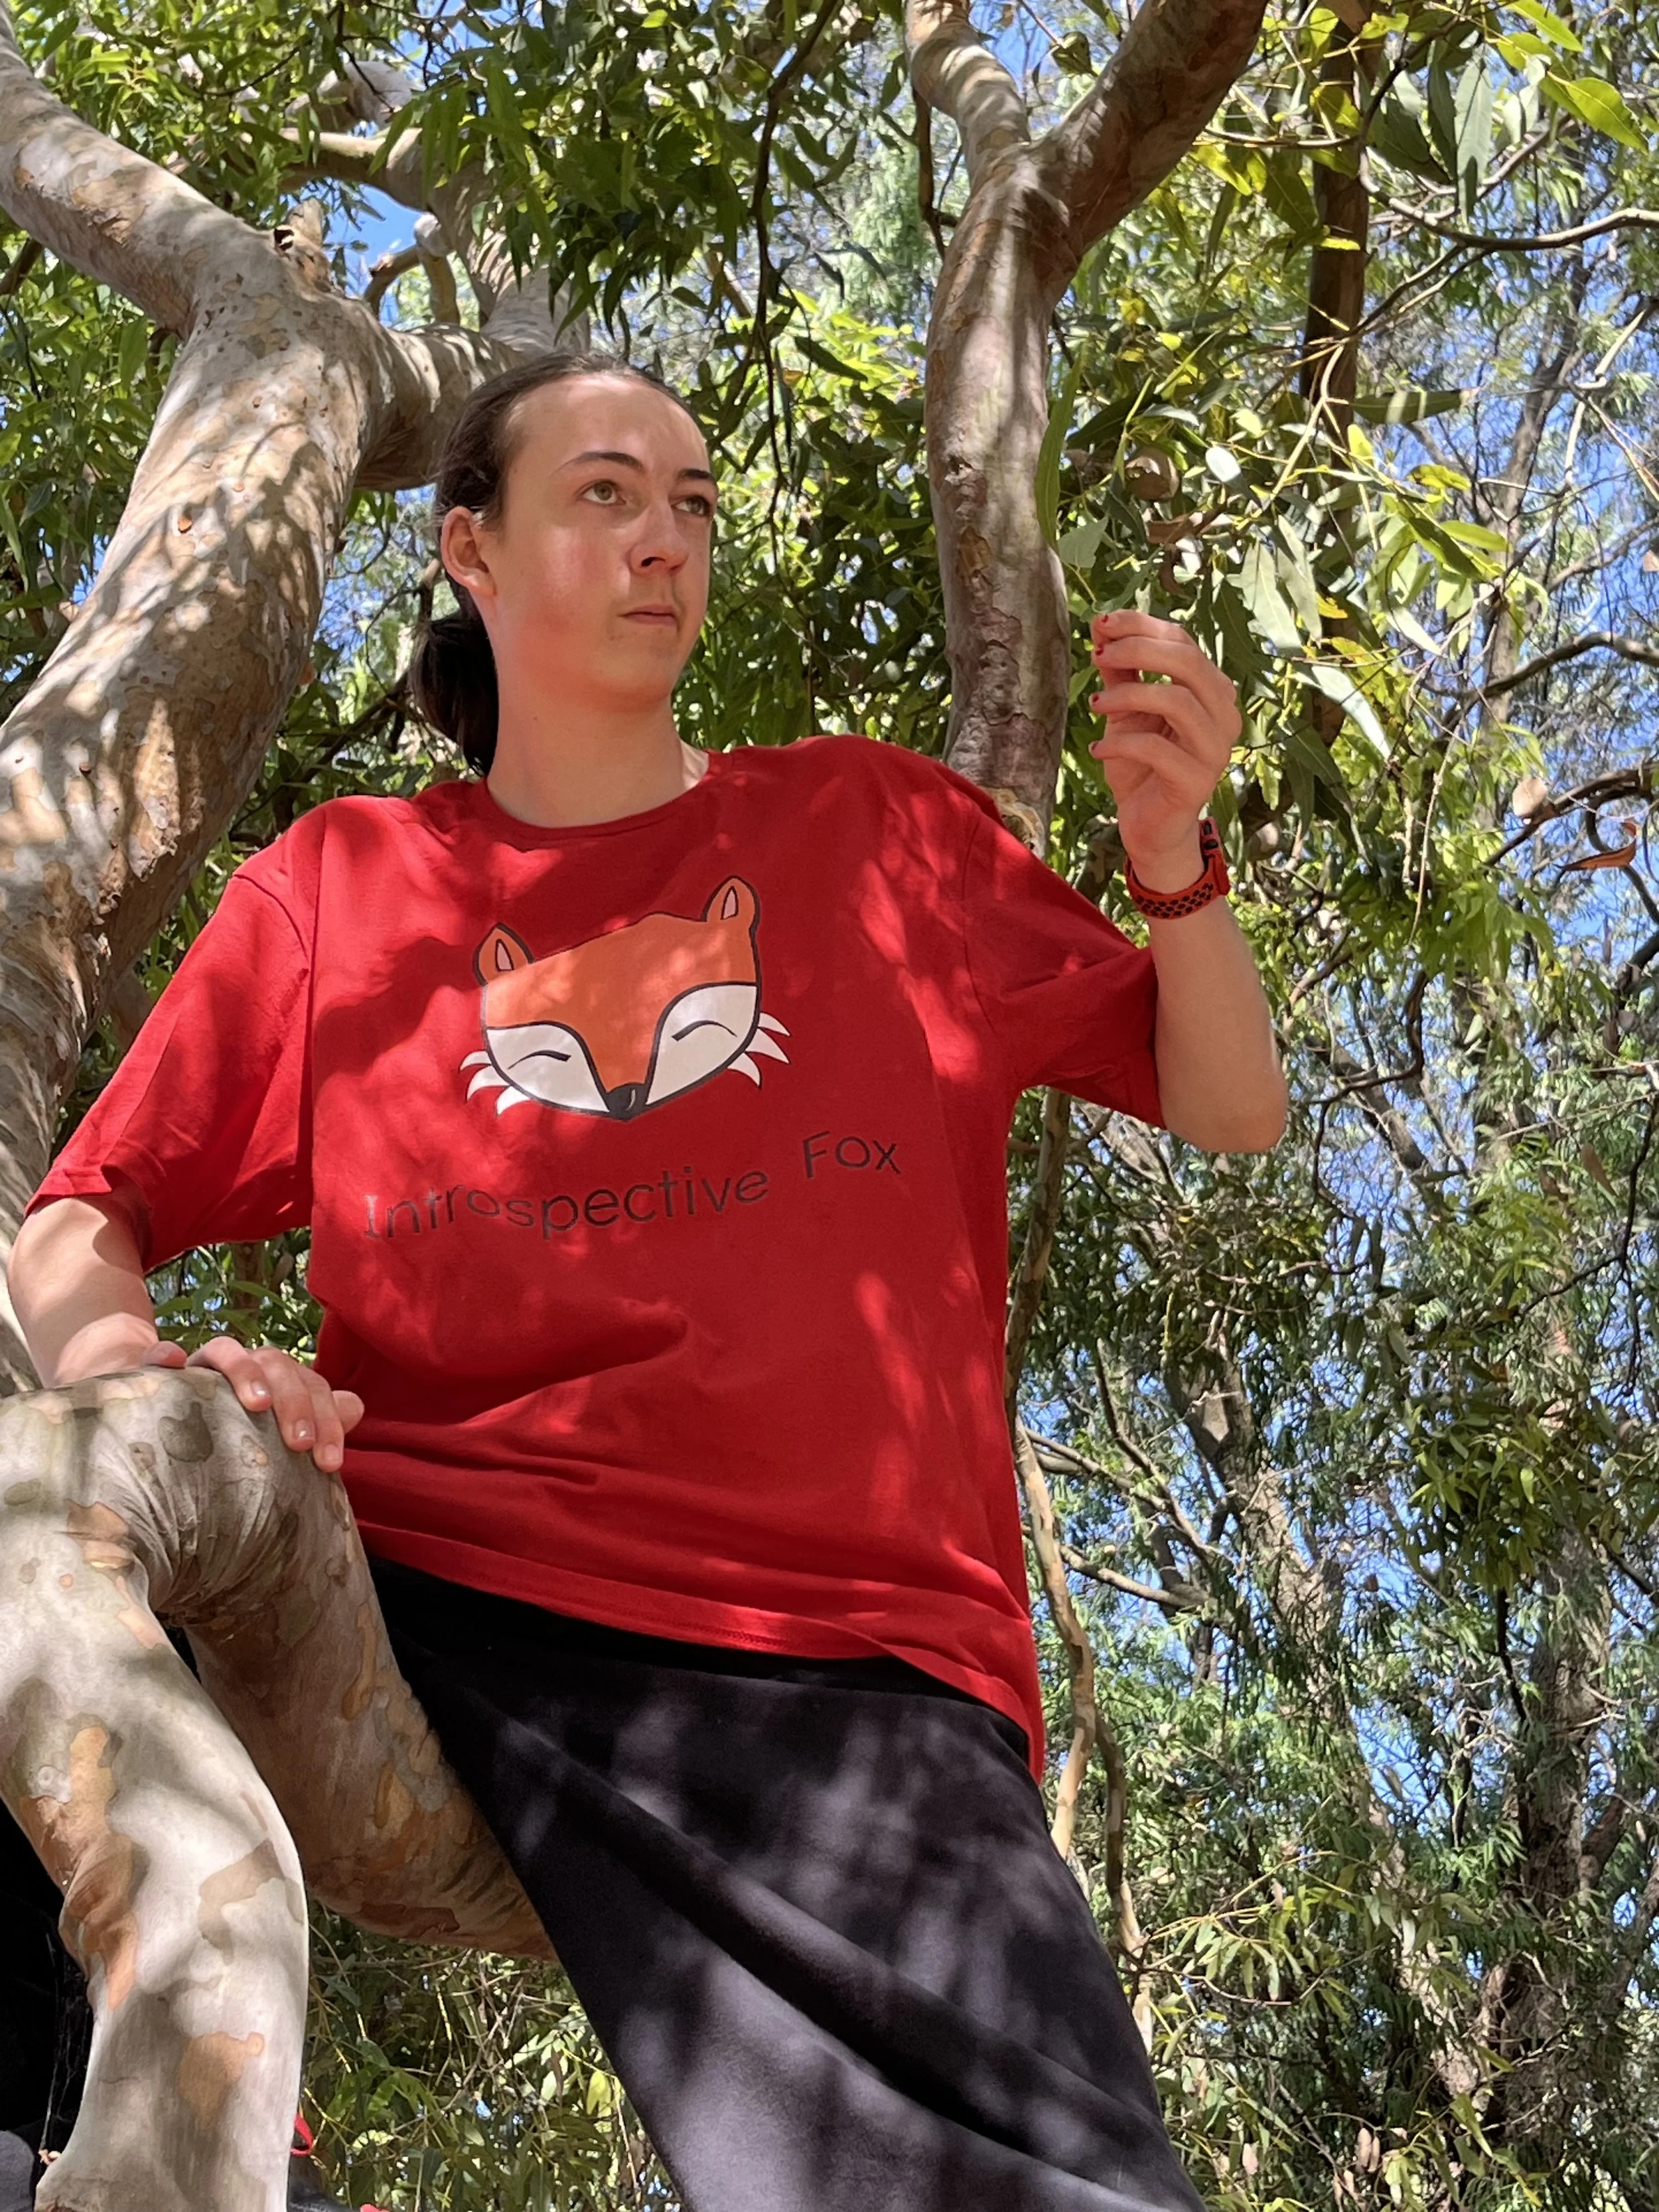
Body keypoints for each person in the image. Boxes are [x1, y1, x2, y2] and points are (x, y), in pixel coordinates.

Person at [5, 348, 1285, 2212]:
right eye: (604, 493)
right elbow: (74, 1218)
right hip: (450, 1590)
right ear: (468, 547)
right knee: (49, 1563)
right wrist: (158, 1375)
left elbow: (1219, 1097)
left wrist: (1177, 874)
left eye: (689, 502)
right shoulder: (342, 887)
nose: (662, 540)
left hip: (847, 1667)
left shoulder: (872, 832)